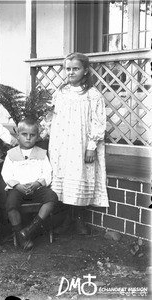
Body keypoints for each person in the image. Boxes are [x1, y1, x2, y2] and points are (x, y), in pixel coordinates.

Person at [47, 52, 109, 233]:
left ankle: (79, 219)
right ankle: (66, 219)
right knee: (64, 179)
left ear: (85, 70)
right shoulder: (60, 92)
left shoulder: (92, 95)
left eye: (76, 69)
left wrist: (91, 147)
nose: (71, 72)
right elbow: (51, 116)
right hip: (61, 143)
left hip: (80, 143)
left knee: (79, 176)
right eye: (68, 69)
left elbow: (98, 122)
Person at [1, 117, 58, 250]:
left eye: (32, 135)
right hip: (18, 189)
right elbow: (6, 174)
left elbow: (47, 172)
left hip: (36, 188)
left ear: (37, 136)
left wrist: (38, 183)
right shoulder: (11, 154)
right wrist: (16, 185)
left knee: (52, 197)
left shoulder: (41, 154)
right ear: (17, 135)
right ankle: (21, 236)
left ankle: (31, 229)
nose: (28, 138)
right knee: (10, 204)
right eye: (24, 134)